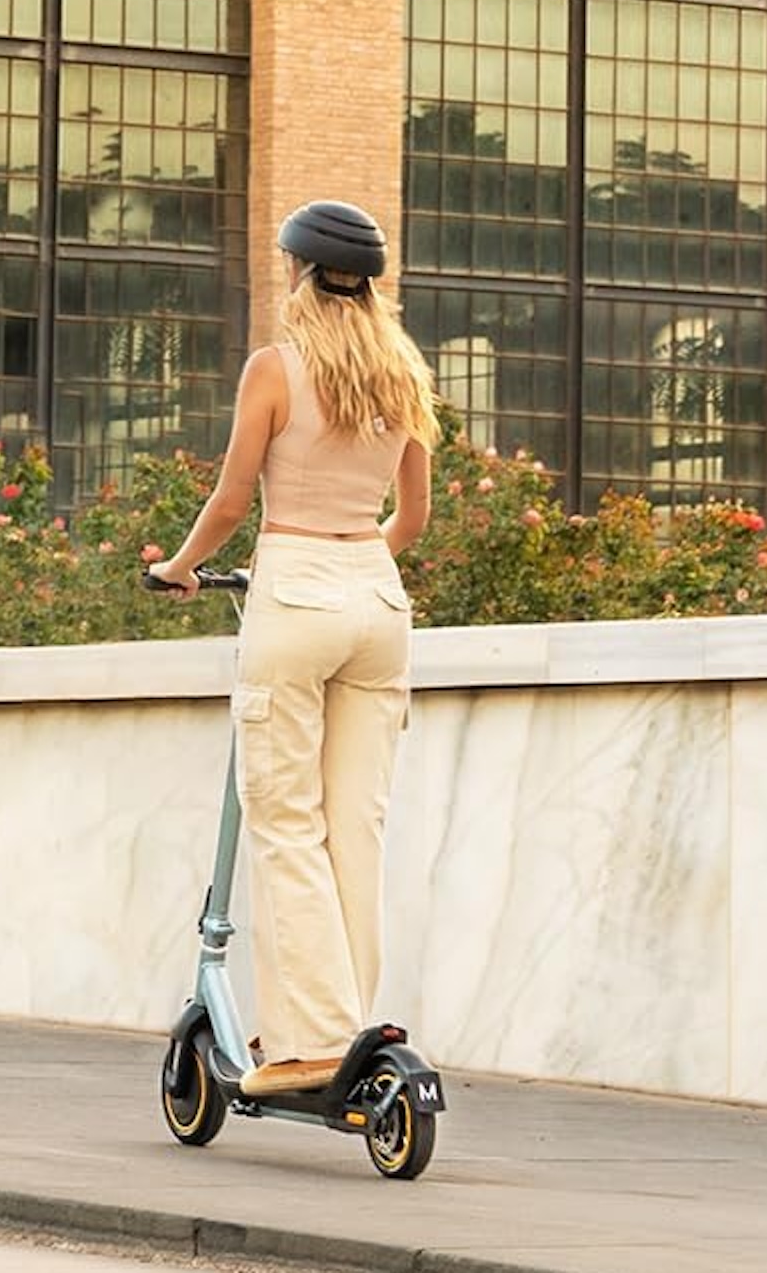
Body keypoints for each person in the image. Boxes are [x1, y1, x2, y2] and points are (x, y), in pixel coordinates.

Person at [148, 201, 440, 1097]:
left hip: (295, 595)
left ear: (298, 273)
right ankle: (348, 1024)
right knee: (356, 826)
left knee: (284, 822)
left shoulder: (276, 369)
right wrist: (355, 567)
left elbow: (234, 500)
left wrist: (178, 568)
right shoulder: (403, 373)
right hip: (377, 606)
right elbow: (415, 519)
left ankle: (311, 1044)